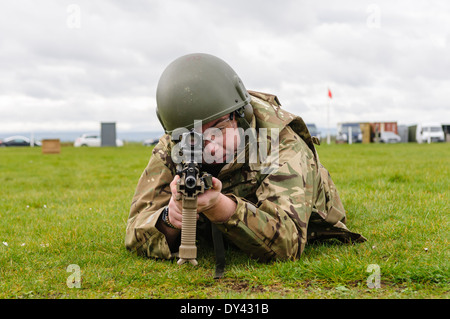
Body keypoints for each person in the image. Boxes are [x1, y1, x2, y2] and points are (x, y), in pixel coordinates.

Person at [125, 53, 366, 265]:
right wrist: (170, 217)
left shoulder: (280, 141)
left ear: (240, 116)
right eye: (193, 136)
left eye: (218, 129)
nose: (209, 144)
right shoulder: (173, 144)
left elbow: (287, 243)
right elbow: (134, 230)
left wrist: (219, 207)